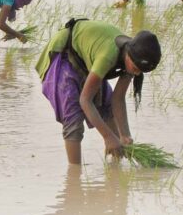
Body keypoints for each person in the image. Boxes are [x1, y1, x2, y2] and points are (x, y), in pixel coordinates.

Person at [35, 19, 161, 164]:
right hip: (65, 53)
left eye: (141, 71)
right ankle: (75, 177)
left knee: (106, 107)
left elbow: (117, 98)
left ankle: (115, 170)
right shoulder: (108, 56)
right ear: (129, 55)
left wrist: (124, 135)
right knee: (73, 118)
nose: (137, 73)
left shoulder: (133, 59)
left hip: (86, 61)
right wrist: (108, 137)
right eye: (136, 68)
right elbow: (85, 100)